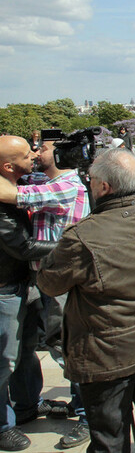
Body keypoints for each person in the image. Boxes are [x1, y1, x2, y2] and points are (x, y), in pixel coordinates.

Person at [37, 148, 135, 453]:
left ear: (104, 188)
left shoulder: (84, 237)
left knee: (109, 436)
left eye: (92, 182)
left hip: (108, 353)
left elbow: (49, 283)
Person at [0, 136, 91, 449]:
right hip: (39, 281)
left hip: (59, 283)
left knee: (68, 351)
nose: (36, 153)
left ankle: (87, 415)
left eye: (41, 150)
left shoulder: (65, 185)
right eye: (29, 152)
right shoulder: (45, 178)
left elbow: (15, 193)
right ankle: (25, 406)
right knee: (24, 350)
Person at [0, 137, 56, 451]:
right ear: (8, 166)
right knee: (4, 362)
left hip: (20, 284)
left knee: (25, 352)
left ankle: (26, 405)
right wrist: (70, 245)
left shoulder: (15, 186)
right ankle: (3, 425)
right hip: (6, 290)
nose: (34, 155)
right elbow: (24, 247)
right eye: (26, 154)